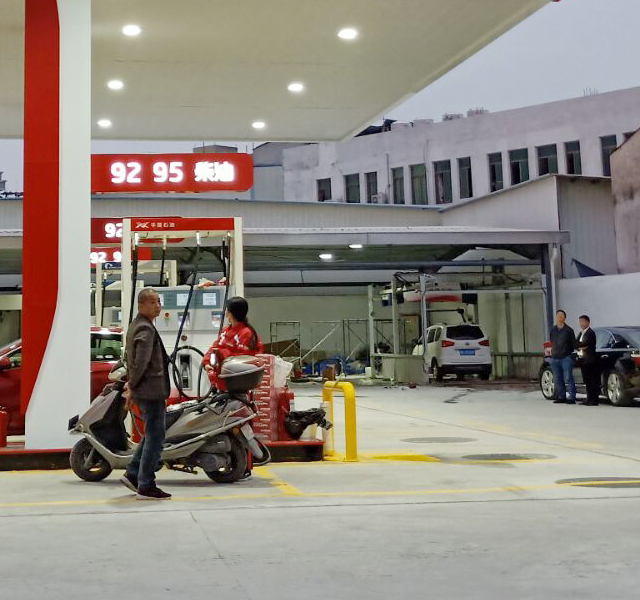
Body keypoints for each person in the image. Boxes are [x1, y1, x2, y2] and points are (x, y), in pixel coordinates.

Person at [120, 288, 172, 500]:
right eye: (152, 302)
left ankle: (134, 473)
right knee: (156, 437)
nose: (158, 306)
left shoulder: (137, 325)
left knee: (151, 434)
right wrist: (132, 385)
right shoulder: (145, 328)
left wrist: (132, 385)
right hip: (151, 391)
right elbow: (140, 362)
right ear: (141, 305)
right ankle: (146, 484)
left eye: (159, 301)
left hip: (146, 389)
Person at [203, 296, 263, 389]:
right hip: (221, 382)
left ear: (232, 314)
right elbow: (214, 348)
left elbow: (243, 359)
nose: (226, 313)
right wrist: (207, 363)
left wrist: (221, 352)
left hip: (237, 384)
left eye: (228, 311)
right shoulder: (225, 331)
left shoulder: (246, 333)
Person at [549, 309, 577, 404]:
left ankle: (572, 397)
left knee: (568, 377)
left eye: (562, 315)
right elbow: (552, 342)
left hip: (566, 357)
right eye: (558, 315)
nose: (560, 317)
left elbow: (573, 343)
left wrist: (568, 352)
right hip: (555, 357)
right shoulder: (553, 330)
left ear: (564, 318)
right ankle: (561, 396)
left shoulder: (569, 330)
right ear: (556, 317)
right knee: (557, 378)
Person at [576, 314, 599, 406]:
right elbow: (576, 343)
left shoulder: (590, 333)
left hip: (590, 360)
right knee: (586, 380)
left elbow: (586, 344)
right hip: (583, 360)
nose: (581, 323)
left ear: (588, 322)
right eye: (580, 322)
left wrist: (581, 345)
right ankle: (589, 398)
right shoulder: (581, 333)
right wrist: (580, 345)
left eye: (583, 321)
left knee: (592, 380)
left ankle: (594, 399)